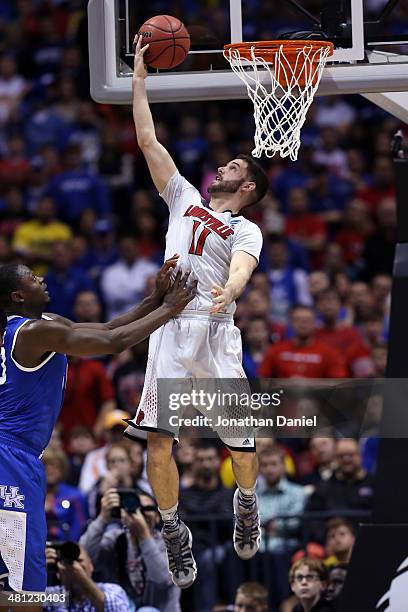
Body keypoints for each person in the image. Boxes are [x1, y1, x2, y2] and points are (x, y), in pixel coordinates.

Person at [124, 36, 269, 589]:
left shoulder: (246, 227)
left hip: (214, 330)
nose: (222, 167)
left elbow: (242, 269)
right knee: (159, 442)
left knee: (242, 444)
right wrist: (140, 77)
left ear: (247, 186)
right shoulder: (183, 197)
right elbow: (146, 137)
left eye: (233, 165)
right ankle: (172, 528)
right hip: (169, 329)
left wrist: (229, 291)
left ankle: (247, 501)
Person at [0, 260, 195, 602]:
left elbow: (106, 327)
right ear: (17, 296)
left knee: (14, 574)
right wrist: (170, 308)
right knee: (22, 578)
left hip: (17, 455)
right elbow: (114, 342)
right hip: (10, 455)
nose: (41, 279)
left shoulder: (43, 326)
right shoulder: (30, 333)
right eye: (32, 278)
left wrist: (154, 299)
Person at [80, 489, 180, 611]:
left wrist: (143, 535)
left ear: (158, 517)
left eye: (147, 509)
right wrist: (103, 518)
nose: (140, 514)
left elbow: (162, 580)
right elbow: (83, 556)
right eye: (136, 508)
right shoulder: (116, 539)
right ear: (124, 514)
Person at [44, 544, 129, 611]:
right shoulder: (56, 596)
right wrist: (37, 571)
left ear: (91, 566)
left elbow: (115, 609)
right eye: (67, 563)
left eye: (79, 561)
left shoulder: (111, 590)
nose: (73, 566)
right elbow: (31, 604)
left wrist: (82, 579)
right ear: (58, 573)